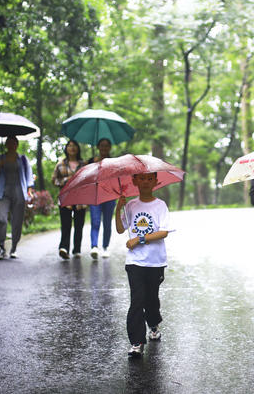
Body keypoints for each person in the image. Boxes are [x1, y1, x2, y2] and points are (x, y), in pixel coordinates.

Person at [115, 172, 171, 357]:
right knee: (137, 300)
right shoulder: (130, 205)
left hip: (155, 262)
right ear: (134, 181)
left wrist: (139, 238)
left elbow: (163, 232)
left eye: (149, 179)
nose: (145, 182)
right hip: (135, 262)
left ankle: (153, 325)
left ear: (156, 181)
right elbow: (120, 228)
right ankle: (136, 342)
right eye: (141, 178)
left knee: (151, 299)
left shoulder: (160, 205)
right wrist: (118, 208)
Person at [0, 135, 35, 259]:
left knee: (17, 221)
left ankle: (14, 247)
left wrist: (29, 190)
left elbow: (29, 175)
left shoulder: (23, 159)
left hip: (19, 192)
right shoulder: (0, 158)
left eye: (13, 143)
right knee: (1, 219)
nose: (11, 145)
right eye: (8, 143)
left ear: (17, 145)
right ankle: (1, 247)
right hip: (3, 192)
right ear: (6, 145)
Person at [52, 140, 87, 259]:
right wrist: (66, 180)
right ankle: (64, 248)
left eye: (74, 146)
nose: (72, 148)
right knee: (65, 225)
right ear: (66, 149)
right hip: (65, 199)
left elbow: (89, 180)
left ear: (78, 148)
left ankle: (77, 250)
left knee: (79, 225)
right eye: (69, 146)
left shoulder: (83, 164)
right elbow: (54, 180)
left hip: (81, 199)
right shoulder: (60, 164)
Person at [89, 138, 117, 259]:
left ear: (110, 148)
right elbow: (87, 177)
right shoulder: (92, 161)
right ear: (98, 147)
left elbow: (117, 179)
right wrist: (93, 165)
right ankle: (94, 246)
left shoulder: (114, 162)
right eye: (102, 145)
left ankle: (105, 247)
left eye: (106, 146)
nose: (104, 148)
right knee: (95, 221)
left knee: (107, 222)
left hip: (110, 195)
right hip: (95, 195)